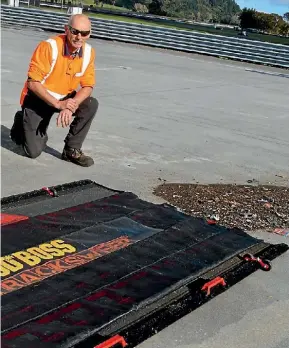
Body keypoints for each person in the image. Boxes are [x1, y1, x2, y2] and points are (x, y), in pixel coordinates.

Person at [10, 13, 99, 167]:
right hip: (39, 98)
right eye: (75, 31)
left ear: (89, 34)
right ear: (66, 29)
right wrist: (58, 105)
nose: (79, 37)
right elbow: (33, 83)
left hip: (64, 97)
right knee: (33, 152)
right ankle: (21, 123)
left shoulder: (89, 52)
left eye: (84, 33)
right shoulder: (49, 47)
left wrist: (71, 106)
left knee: (90, 104)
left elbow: (88, 86)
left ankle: (71, 149)